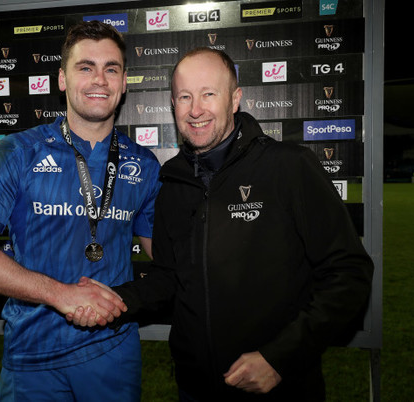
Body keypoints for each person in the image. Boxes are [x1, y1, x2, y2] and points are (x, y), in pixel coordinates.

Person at [74, 47, 374, 401]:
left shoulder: (288, 167)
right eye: (185, 96)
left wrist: (280, 358)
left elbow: (349, 273)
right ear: (173, 104)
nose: (195, 109)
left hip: (281, 387)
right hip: (195, 389)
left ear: (235, 100)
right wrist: (114, 299)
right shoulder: (172, 183)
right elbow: (169, 278)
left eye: (208, 94)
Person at [0, 21, 161, 401]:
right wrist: (59, 294)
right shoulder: (15, 153)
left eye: (111, 68)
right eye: (85, 67)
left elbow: (167, 256)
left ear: (125, 82)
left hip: (113, 351)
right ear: (61, 79)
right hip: (32, 354)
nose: (100, 79)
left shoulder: (143, 164)